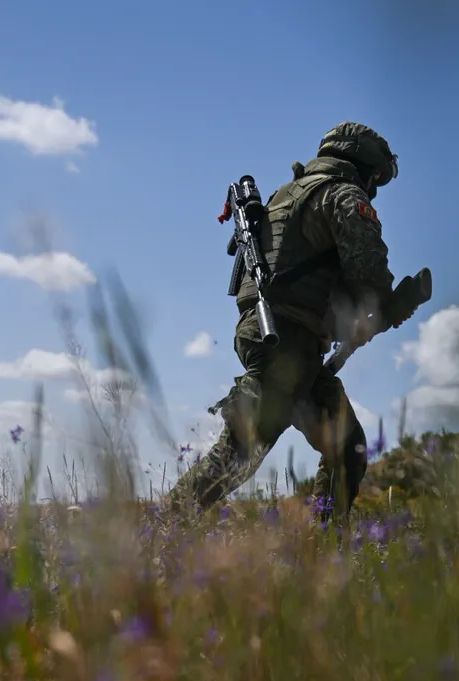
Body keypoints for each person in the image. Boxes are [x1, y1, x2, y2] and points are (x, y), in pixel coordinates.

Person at [170, 121, 419, 523]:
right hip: (285, 341)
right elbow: (368, 269)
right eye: (377, 177)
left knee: (348, 447)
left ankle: (325, 546)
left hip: (276, 335)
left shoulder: (287, 196)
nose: (375, 186)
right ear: (366, 166)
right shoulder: (341, 193)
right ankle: (157, 536)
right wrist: (388, 304)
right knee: (238, 457)